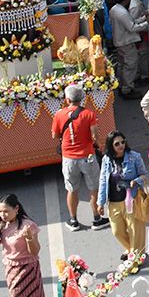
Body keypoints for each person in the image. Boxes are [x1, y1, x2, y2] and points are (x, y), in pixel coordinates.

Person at [50, 83, 107, 231]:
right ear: (81, 99)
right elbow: (95, 136)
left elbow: (55, 135)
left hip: (68, 158)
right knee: (93, 188)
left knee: (72, 189)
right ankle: (97, 218)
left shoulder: (58, 114)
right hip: (87, 155)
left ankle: (73, 220)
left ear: (67, 99)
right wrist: (99, 146)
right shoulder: (89, 114)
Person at [98, 130, 149, 260]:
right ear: (111, 146)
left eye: (123, 142)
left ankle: (136, 257)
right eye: (117, 144)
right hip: (114, 202)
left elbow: (144, 175)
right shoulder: (106, 159)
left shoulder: (135, 157)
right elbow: (103, 180)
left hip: (132, 199)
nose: (121, 145)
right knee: (117, 231)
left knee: (135, 231)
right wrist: (100, 202)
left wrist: (136, 181)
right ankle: (130, 249)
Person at [0, 194, 43, 297]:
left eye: (6, 211)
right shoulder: (2, 225)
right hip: (11, 271)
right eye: (0, 211)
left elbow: (35, 252)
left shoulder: (28, 225)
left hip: (28, 270)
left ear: (16, 208)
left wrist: (29, 238)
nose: (2, 215)